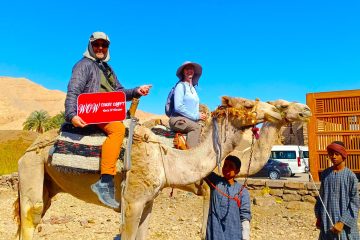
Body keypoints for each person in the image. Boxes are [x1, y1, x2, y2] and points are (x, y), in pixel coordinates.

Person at [65, 31, 151, 209]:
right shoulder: (83, 65)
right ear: (90, 46)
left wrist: (136, 91)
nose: (100, 48)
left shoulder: (108, 69)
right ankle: (105, 181)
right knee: (118, 130)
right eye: (96, 44)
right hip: (92, 111)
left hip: (109, 110)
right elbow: (73, 90)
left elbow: (119, 93)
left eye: (104, 45)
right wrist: (72, 115)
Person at [315, 141, 360, 240]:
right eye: (331, 154)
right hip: (327, 223)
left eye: (337, 154)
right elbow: (321, 198)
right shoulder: (325, 174)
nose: (333, 157)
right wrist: (319, 217)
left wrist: (342, 222)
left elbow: (355, 203)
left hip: (344, 227)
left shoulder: (350, 176)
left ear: (343, 155)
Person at [205, 155, 251, 240]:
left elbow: (245, 215)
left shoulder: (242, 191)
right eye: (225, 165)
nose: (226, 168)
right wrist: (184, 148)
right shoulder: (215, 181)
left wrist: (245, 236)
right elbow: (201, 167)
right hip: (214, 233)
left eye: (231, 166)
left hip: (234, 235)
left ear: (237, 170)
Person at [169, 61, 207, 149]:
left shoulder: (193, 89)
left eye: (191, 69)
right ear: (183, 72)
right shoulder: (180, 86)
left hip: (189, 121)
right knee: (196, 128)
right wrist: (196, 116)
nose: (189, 71)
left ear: (194, 71)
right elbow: (178, 107)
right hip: (177, 119)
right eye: (187, 69)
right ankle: (190, 156)